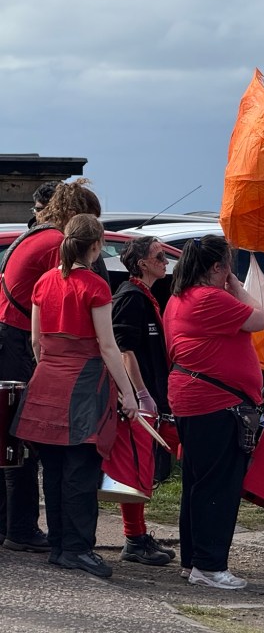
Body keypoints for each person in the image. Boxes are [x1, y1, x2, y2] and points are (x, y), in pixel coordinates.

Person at [11, 214, 140, 578]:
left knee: (52, 470)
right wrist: (128, 395)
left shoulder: (44, 281)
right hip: (82, 383)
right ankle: (76, 548)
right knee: (80, 472)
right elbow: (108, 346)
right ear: (97, 245)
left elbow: (36, 341)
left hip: (47, 378)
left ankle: (59, 545)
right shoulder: (96, 285)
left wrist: (50, 366)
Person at [0, 178, 102, 553]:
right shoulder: (56, 245)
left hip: (8, 333)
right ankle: (22, 529)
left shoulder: (31, 236)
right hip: (16, 340)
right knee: (26, 440)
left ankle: (9, 524)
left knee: (9, 438)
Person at [165, 234, 264, 590]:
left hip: (194, 400)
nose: (231, 272)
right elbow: (260, 318)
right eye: (228, 265)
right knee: (218, 486)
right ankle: (209, 565)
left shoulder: (179, 299)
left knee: (198, 481)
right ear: (216, 267)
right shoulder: (210, 298)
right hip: (215, 404)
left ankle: (194, 560)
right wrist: (236, 284)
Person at [111, 236, 175, 566]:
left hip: (152, 394)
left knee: (144, 469)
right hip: (140, 399)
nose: (166, 262)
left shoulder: (145, 295)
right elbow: (124, 348)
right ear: (143, 264)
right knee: (136, 470)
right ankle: (134, 539)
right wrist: (141, 394)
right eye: (160, 257)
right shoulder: (130, 297)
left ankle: (137, 536)